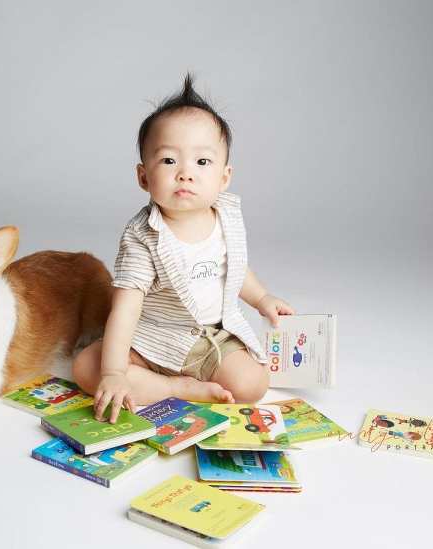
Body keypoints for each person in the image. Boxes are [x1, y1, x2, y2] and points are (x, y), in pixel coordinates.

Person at [72, 75, 294, 423]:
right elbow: (125, 310)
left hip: (209, 339)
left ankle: (164, 383)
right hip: (150, 338)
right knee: (87, 368)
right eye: (168, 161)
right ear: (143, 177)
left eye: (202, 162)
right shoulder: (141, 236)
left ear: (224, 177)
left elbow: (234, 269)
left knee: (253, 384)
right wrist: (114, 371)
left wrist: (262, 298)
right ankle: (175, 388)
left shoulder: (227, 217)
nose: (185, 173)